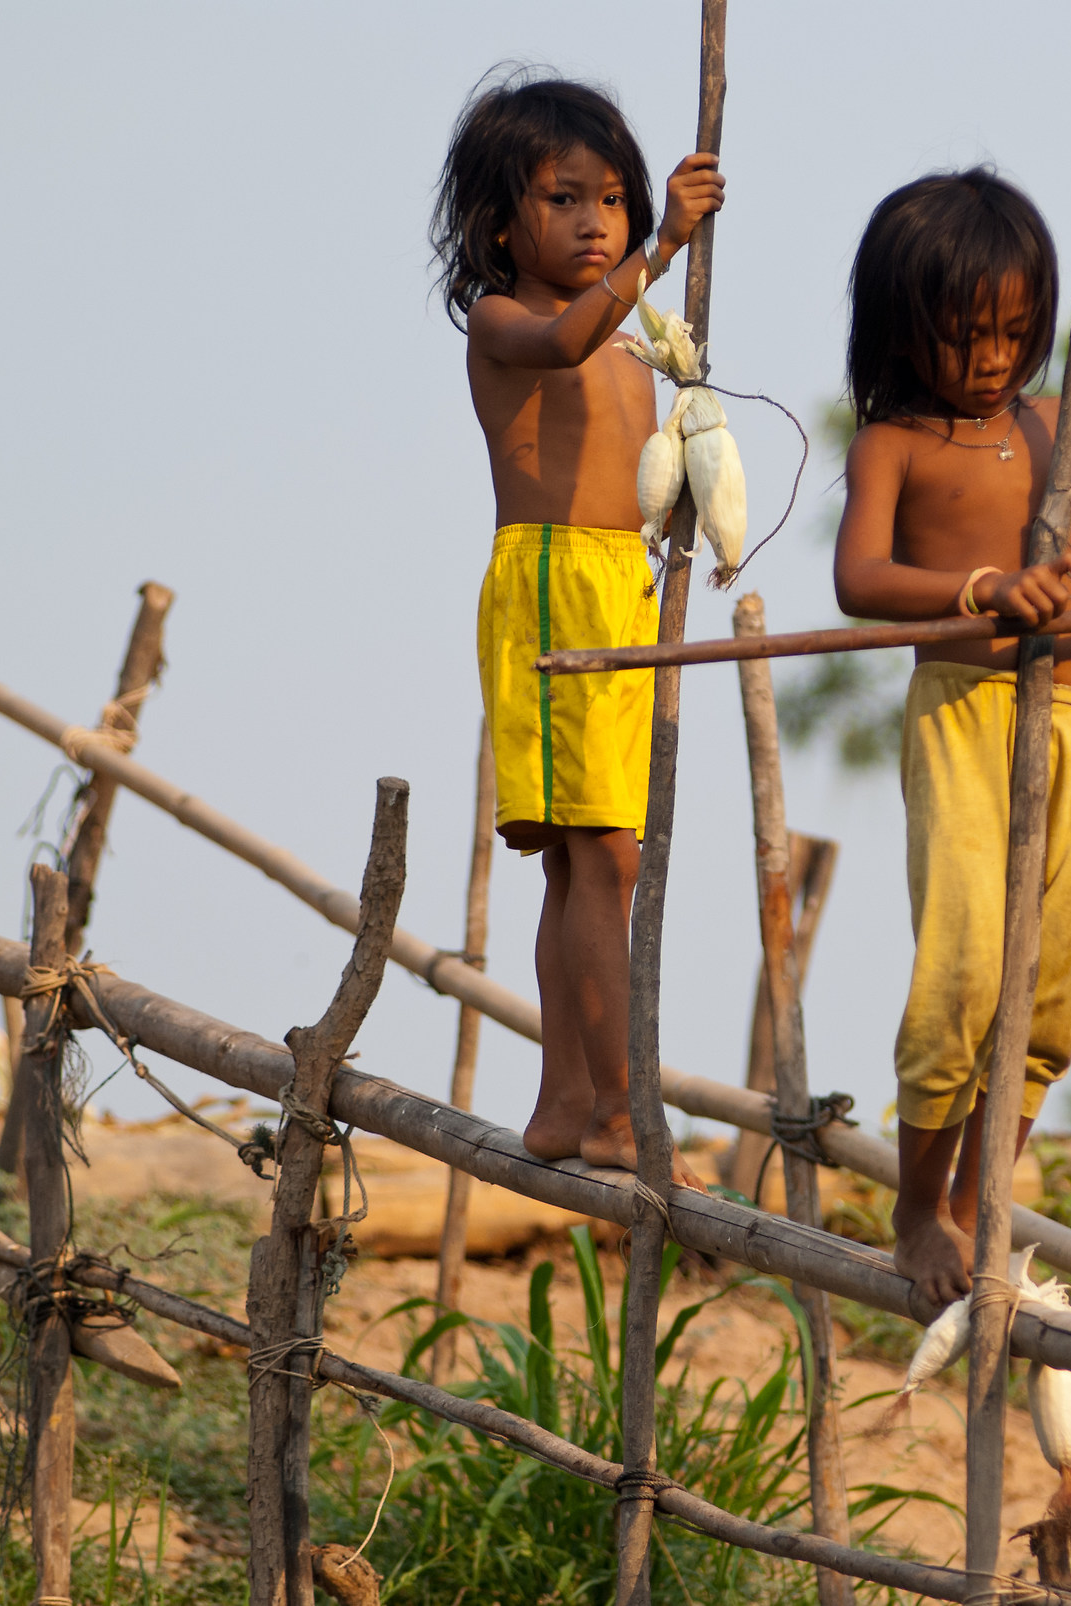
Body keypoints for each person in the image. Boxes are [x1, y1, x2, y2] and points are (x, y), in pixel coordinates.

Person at [831, 169, 1071, 1307]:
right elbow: (860, 578)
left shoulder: (1069, 428)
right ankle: (918, 1207)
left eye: (1015, 331)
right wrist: (985, 588)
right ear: (907, 327)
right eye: (967, 335)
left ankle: (975, 1204)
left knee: (1053, 985)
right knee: (961, 969)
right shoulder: (894, 446)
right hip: (966, 715)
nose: (996, 357)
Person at [433, 70, 724, 1173]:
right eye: (563, 199)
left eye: (612, 199)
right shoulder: (509, 319)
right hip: (555, 585)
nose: (595, 221)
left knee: (590, 862)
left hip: (622, 582)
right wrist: (667, 249)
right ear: (498, 223)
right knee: (602, 853)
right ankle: (610, 1108)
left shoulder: (630, 324)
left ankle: (568, 1101)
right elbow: (563, 352)